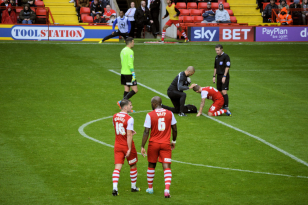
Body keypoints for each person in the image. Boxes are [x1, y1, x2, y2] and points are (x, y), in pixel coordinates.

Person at [141, 96, 177, 198]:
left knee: (151, 165)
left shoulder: (150, 115)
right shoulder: (170, 113)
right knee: (166, 166)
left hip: (153, 144)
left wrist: (142, 146)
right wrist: (173, 141)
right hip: (165, 144)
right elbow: (174, 129)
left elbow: (146, 131)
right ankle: (166, 190)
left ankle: (150, 188)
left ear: (154, 104)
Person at [112, 99, 140, 196]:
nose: (131, 107)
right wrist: (129, 149)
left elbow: (117, 129)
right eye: (130, 105)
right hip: (126, 145)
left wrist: (130, 131)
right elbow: (128, 135)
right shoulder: (129, 118)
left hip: (117, 145)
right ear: (125, 107)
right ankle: (133, 187)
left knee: (117, 167)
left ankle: (115, 188)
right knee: (133, 165)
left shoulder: (114, 116)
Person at [115, 37, 138, 111]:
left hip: (123, 72)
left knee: (127, 89)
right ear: (131, 42)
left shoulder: (123, 50)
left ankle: (125, 108)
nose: (134, 43)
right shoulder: (130, 51)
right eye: (133, 42)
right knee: (135, 90)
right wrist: (133, 73)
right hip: (129, 73)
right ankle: (122, 102)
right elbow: (130, 63)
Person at [213, 44, 230, 110]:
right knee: (219, 92)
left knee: (224, 91)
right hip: (218, 76)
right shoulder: (216, 57)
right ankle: (220, 105)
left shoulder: (226, 56)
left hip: (224, 76)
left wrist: (224, 76)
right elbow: (215, 67)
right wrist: (214, 76)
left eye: (218, 50)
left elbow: (227, 67)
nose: (217, 52)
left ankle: (226, 106)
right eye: (216, 50)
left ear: (221, 49)